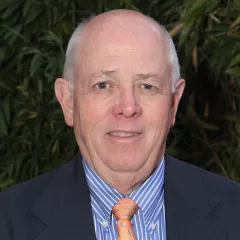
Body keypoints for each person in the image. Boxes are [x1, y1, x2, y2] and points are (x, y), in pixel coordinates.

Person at [0, 9, 240, 240]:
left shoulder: (234, 212)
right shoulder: (7, 221)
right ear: (67, 101)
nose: (127, 107)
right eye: (103, 85)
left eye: (147, 86)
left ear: (173, 103)